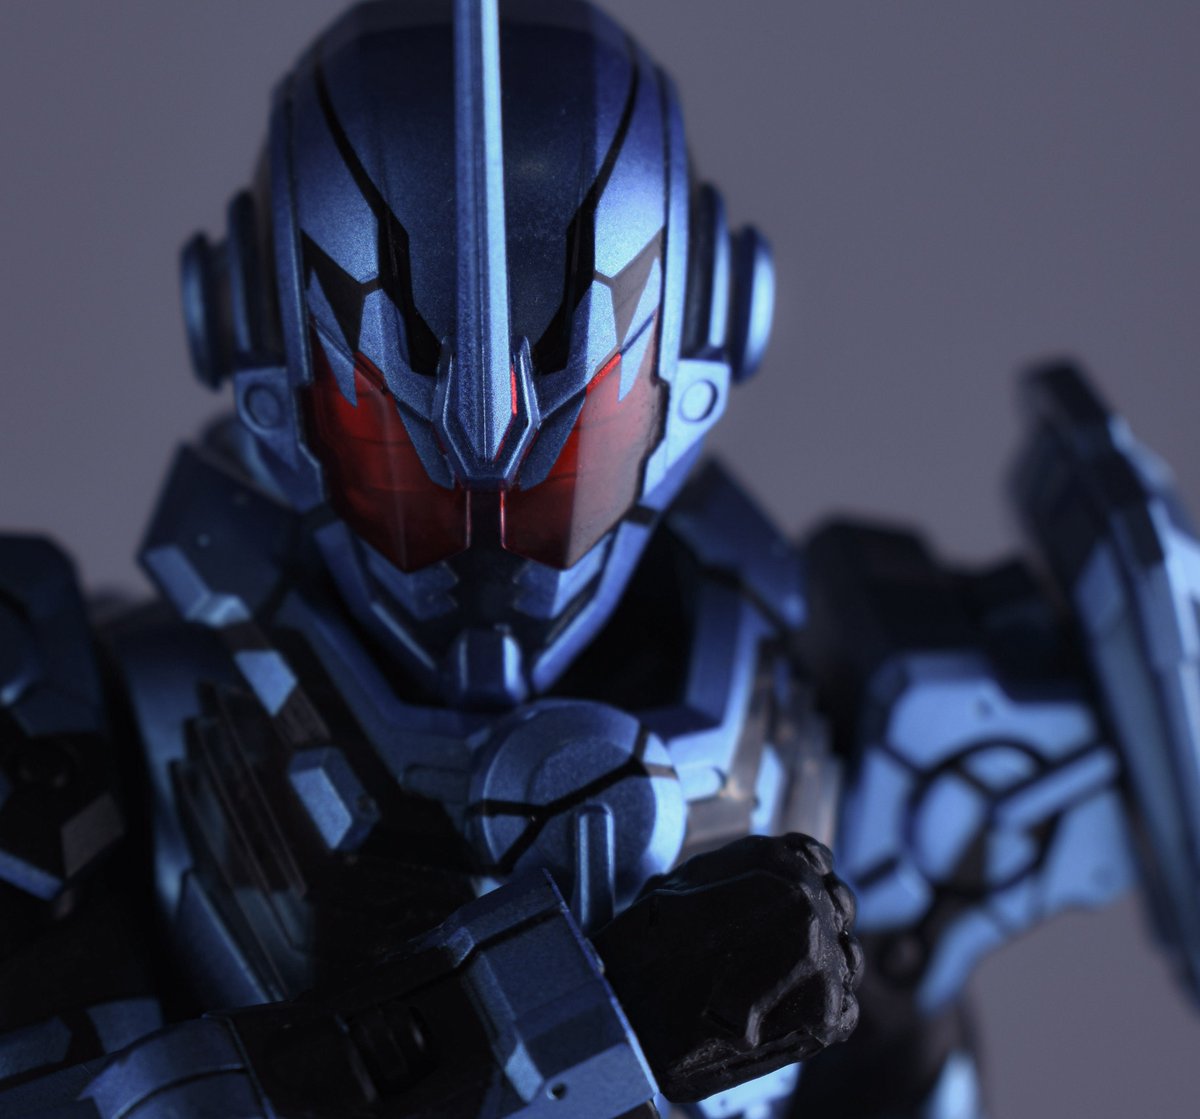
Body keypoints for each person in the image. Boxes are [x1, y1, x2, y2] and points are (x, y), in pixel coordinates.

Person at [0, 3, 1195, 1117]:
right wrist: (567, 1016)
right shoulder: (79, 727)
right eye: (388, 437)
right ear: (268, 371)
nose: (486, 558)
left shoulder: (886, 737)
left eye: (576, 442)